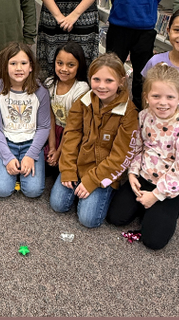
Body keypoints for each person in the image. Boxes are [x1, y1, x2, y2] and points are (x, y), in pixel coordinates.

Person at [107, 63, 179, 250]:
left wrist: (156, 196)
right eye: (156, 96)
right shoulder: (143, 117)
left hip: (169, 185)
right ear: (147, 97)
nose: (162, 102)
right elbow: (137, 147)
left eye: (170, 97)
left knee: (153, 241)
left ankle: (172, 202)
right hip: (144, 176)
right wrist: (133, 174)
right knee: (115, 218)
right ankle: (146, 205)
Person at [50, 52, 138, 229]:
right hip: (78, 163)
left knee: (88, 220)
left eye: (109, 81)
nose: (101, 86)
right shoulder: (83, 101)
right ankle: (80, 189)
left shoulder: (129, 113)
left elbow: (120, 157)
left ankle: (100, 192)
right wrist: (67, 169)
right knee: (58, 205)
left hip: (103, 172)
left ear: (121, 81)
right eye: (96, 80)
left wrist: (91, 181)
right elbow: (71, 135)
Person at [0, 42, 51, 199]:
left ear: (31, 67)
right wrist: (7, 157)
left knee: (33, 191)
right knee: (1, 190)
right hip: (7, 142)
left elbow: (44, 127)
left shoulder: (40, 92)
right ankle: (13, 166)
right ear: (5, 66)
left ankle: (22, 166)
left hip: (31, 143)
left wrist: (31, 155)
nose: (18, 68)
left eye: (23, 63)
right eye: (13, 63)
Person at [43, 42, 90, 172]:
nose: (64, 69)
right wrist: (52, 147)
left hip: (73, 132)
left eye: (71, 65)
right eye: (60, 63)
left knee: (66, 164)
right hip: (54, 131)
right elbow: (50, 117)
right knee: (45, 160)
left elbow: (73, 124)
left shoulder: (81, 88)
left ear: (79, 66)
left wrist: (59, 152)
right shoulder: (50, 83)